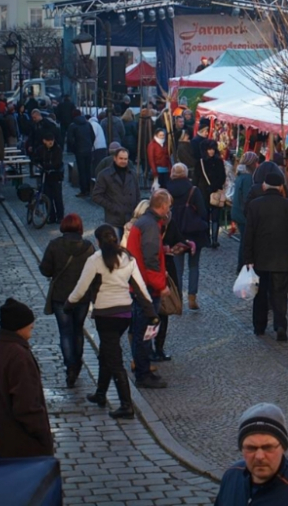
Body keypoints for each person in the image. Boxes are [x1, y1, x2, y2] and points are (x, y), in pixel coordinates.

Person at [67, 224, 156, 419]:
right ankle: (100, 394)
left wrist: (69, 304)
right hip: (124, 315)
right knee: (106, 354)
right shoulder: (127, 258)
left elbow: (81, 289)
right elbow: (139, 287)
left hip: (105, 315)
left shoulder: (95, 260)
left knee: (114, 360)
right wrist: (151, 311)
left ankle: (126, 405)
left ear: (98, 241)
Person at [214, 403, 288, 506]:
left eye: (267, 447)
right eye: (251, 448)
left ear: (283, 447)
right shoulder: (232, 476)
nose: (259, 456)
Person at [0, 298, 54, 458]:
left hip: (2, 439)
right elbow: (27, 404)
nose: (31, 330)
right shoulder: (19, 356)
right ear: (19, 327)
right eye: (30, 326)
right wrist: (43, 435)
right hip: (25, 443)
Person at [39, 214, 96, 387]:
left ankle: (70, 365)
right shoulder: (88, 247)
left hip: (61, 297)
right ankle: (76, 363)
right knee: (78, 330)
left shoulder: (55, 245)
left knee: (65, 332)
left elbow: (45, 270)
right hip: (82, 296)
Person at [244, 171, 288, 341]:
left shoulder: (255, 205)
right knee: (279, 293)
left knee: (260, 293)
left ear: (264, 186)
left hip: (260, 258)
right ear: (281, 187)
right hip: (281, 258)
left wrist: (248, 258)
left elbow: (249, 235)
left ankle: (259, 326)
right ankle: (280, 325)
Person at [125, 189, 171, 388]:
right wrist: (160, 285)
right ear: (162, 206)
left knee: (143, 333)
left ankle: (143, 369)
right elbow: (150, 260)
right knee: (144, 333)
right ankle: (143, 374)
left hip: (141, 286)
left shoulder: (145, 223)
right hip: (146, 289)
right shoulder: (150, 226)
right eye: (168, 206)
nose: (169, 210)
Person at [169, 163, 208, 310]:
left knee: (177, 268)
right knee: (194, 266)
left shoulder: (167, 190)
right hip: (194, 233)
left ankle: (177, 298)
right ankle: (192, 297)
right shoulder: (193, 190)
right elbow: (203, 211)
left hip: (175, 234)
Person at [91, 147, 140, 240]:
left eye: (125, 159)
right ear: (115, 158)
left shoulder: (132, 174)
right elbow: (96, 195)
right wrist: (112, 207)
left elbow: (137, 193)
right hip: (114, 219)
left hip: (130, 218)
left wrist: (136, 210)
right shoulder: (104, 175)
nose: (123, 161)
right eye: (121, 158)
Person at [194, 139, 226, 248]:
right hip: (204, 192)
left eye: (212, 149)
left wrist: (215, 186)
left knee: (216, 216)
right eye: (209, 149)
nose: (211, 151)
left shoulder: (218, 161)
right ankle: (207, 239)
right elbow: (196, 179)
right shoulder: (200, 163)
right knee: (205, 216)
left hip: (215, 191)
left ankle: (214, 239)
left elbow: (222, 177)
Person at [231, 151, 259, 273]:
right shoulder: (248, 178)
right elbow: (248, 198)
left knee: (244, 240)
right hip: (243, 215)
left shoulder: (240, 175)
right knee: (245, 241)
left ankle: (241, 265)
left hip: (238, 212)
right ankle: (242, 266)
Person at [33, 131, 65, 224]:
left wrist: (46, 166)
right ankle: (51, 217)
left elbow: (57, 163)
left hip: (56, 175)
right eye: (48, 141)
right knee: (48, 197)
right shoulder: (40, 149)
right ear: (44, 141)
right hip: (45, 176)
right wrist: (39, 164)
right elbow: (35, 159)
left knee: (57, 197)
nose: (51, 142)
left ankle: (60, 217)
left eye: (52, 140)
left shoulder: (57, 149)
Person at [67, 110, 96, 197]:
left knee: (81, 170)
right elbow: (93, 136)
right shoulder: (88, 124)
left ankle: (83, 190)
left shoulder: (73, 126)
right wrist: (90, 145)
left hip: (79, 151)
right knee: (88, 170)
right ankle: (88, 188)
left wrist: (74, 149)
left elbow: (70, 140)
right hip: (88, 149)